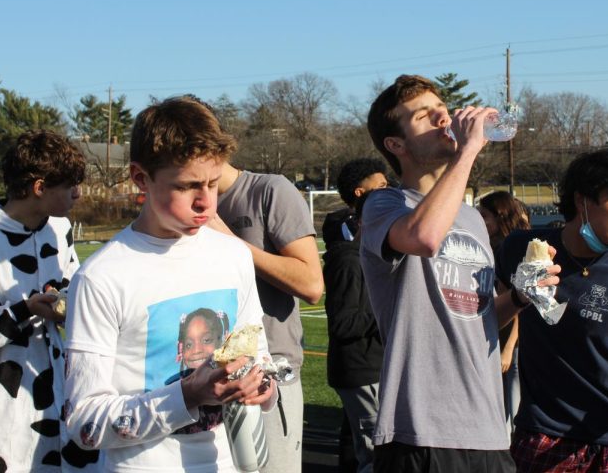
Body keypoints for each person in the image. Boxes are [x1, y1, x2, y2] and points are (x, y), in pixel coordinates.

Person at [359, 74, 559, 472]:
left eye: (442, 110)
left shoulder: (471, 218)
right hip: (420, 432)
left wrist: (519, 296)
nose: (442, 118)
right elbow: (424, 238)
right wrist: (468, 152)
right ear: (395, 145)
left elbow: (476, 317)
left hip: (487, 429)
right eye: (424, 116)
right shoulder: (384, 205)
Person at [64, 96, 276, 471]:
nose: (205, 203)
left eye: (213, 184)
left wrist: (263, 386)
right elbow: (85, 421)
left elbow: (258, 352)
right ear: (140, 178)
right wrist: (189, 393)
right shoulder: (101, 277)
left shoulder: (233, 255)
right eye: (186, 186)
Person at [496, 149, 608, 472]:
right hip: (542, 439)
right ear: (582, 202)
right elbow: (482, 320)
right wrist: (520, 296)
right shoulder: (521, 250)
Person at [0, 129, 100, 472]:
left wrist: (66, 304)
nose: (78, 194)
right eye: (69, 185)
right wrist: (24, 311)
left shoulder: (59, 229)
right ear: (39, 188)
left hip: (56, 397)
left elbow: (71, 290)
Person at [210, 145, 325, 473]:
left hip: (267, 374)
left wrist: (230, 241)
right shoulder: (183, 205)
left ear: (213, 150)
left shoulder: (269, 190)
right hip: (206, 379)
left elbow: (311, 285)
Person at [323, 158, 389, 473]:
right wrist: (388, 313)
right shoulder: (347, 261)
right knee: (375, 457)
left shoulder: (366, 256)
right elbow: (343, 323)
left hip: (372, 366)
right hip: (361, 370)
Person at [477, 191, 529, 435]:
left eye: (484, 215)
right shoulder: (489, 247)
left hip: (515, 342)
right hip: (495, 335)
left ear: (500, 216)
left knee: (513, 406)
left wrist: (509, 349)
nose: (480, 220)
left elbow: (520, 304)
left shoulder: (514, 249)